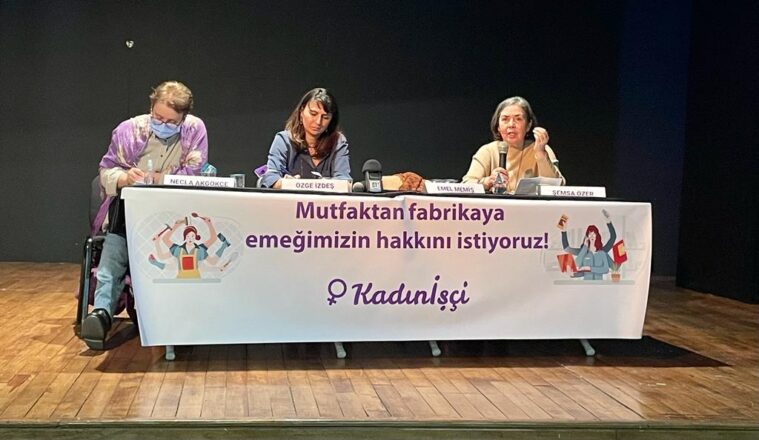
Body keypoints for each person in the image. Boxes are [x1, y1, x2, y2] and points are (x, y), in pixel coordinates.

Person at [81, 80, 208, 350]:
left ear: (183, 118)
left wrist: (156, 178)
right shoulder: (128, 130)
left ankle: (161, 313)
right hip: (128, 210)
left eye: (171, 122)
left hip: (173, 212)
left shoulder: (195, 129)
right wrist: (126, 177)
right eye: (158, 117)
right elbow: (106, 171)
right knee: (116, 249)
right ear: (151, 107)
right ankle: (101, 314)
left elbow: (194, 171)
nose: (163, 124)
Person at [462, 96, 564, 193]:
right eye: (505, 119)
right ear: (498, 126)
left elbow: (556, 188)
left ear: (528, 126)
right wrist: (487, 182)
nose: (511, 125)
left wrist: (541, 154)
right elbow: (465, 185)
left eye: (518, 119)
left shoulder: (541, 149)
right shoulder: (487, 151)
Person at [259, 88, 351, 188]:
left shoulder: (338, 142)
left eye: (325, 117)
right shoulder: (283, 140)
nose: (318, 122)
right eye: (313, 114)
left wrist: (323, 185)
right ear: (301, 112)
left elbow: (344, 181)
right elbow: (270, 177)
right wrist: (288, 184)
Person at [558, 209, 616, 280]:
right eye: (590, 234)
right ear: (587, 236)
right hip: (586, 284)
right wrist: (564, 231)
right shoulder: (583, 252)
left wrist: (608, 221)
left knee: (615, 267)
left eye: (594, 234)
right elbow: (567, 249)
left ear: (597, 236)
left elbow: (613, 237)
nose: (592, 236)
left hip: (599, 284)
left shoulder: (602, 252)